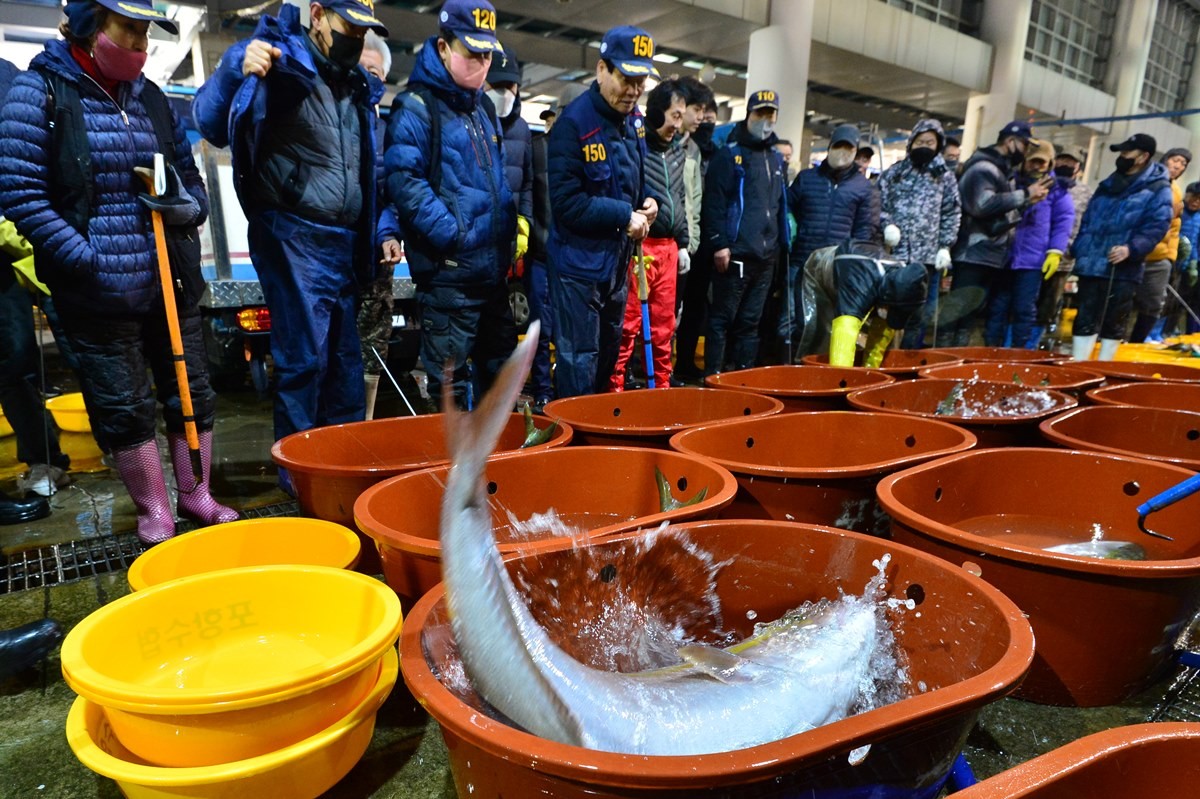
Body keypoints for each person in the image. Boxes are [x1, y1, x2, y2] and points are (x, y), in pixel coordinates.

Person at [0, 0, 237, 544]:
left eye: (143, 31)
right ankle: (155, 508)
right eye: (125, 29)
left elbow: (190, 179)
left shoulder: (151, 98)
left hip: (169, 281)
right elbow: (21, 194)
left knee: (191, 390)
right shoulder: (39, 95)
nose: (139, 43)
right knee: (124, 405)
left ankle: (197, 495)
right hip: (96, 292)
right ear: (87, 27)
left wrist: (185, 207)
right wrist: (86, 260)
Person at [194, 0, 390, 447]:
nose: (356, 39)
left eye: (364, 31)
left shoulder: (354, 86)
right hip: (293, 236)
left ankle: (341, 461)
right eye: (349, 26)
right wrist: (232, 69)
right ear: (317, 14)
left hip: (343, 241)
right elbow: (208, 122)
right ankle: (300, 474)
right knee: (304, 362)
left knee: (344, 364)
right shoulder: (279, 60)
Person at [386, 0, 515, 410]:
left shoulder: (485, 109)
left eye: (487, 54)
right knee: (450, 390)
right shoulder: (416, 107)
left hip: (492, 277)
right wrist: (454, 236)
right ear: (443, 48)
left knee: (500, 385)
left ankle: (501, 471)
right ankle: (454, 473)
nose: (481, 62)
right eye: (471, 52)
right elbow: (405, 183)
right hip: (449, 280)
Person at [545, 24, 659, 397]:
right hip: (578, 269)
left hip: (616, 266)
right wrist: (624, 216)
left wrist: (647, 203)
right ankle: (572, 445)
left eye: (641, 80)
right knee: (579, 359)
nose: (634, 90)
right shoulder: (573, 125)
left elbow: (633, 182)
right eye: (626, 79)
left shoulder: (635, 123)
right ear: (601, 70)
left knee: (608, 355)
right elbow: (566, 204)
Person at [0, 58, 72, 505]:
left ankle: (125, 452)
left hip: (41, 236)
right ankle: (45, 460)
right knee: (11, 364)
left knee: (83, 348)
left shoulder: (12, 79)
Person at [937, 120, 1050, 347]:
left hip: (989, 255)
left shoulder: (1002, 170)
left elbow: (1002, 213)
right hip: (972, 253)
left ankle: (956, 361)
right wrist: (1023, 194)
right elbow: (981, 204)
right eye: (1025, 146)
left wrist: (1027, 201)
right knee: (957, 311)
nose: (1027, 152)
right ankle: (941, 360)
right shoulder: (983, 168)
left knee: (969, 314)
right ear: (1010, 141)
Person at [700, 90, 789, 375]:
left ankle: (741, 377)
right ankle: (713, 377)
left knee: (751, 322)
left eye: (770, 114)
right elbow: (714, 202)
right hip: (735, 254)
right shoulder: (730, 155)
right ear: (748, 115)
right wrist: (719, 244)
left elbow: (777, 206)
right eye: (759, 113)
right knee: (721, 320)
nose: (765, 120)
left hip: (765, 257)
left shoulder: (776, 160)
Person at [610, 79, 688, 390]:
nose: (677, 124)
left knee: (663, 327)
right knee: (628, 325)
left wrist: (682, 242)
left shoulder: (679, 154)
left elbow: (680, 197)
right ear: (656, 114)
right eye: (674, 115)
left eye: (682, 116)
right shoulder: (636, 146)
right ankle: (614, 389)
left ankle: (661, 390)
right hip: (642, 247)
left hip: (669, 249)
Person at [1068, 133, 1173, 361]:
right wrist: (1080, 247)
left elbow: (1157, 225)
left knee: (1114, 319)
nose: (1122, 157)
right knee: (1084, 316)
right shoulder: (1108, 184)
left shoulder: (1158, 189)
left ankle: (1104, 370)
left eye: (1127, 153)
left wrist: (1132, 249)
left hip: (1123, 267)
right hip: (1091, 262)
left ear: (1143, 156)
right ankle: (1078, 367)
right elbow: (1088, 219)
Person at [781, 123, 879, 360]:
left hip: (836, 268)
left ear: (855, 151)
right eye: (838, 145)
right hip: (801, 261)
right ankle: (786, 366)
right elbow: (786, 211)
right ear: (830, 147)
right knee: (791, 319)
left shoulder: (864, 188)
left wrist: (854, 267)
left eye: (848, 147)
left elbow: (865, 232)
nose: (842, 151)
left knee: (828, 323)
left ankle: (818, 370)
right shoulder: (806, 179)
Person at [876, 118, 961, 349]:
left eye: (930, 142)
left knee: (922, 312)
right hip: (896, 257)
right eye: (920, 141)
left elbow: (951, 213)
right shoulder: (894, 174)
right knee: (889, 310)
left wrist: (945, 246)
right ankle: (883, 357)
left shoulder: (945, 178)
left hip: (928, 260)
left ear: (938, 145)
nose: (924, 145)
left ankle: (909, 358)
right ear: (911, 143)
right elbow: (878, 205)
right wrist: (887, 226)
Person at [984, 139, 1074, 348]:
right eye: (1033, 161)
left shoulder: (1058, 191)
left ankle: (1019, 354)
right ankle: (990, 352)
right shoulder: (1009, 183)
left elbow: (1063, 221)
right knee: (997, 307)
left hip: (1032, 261)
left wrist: (1055, 251)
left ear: (1050, 164)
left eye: (1042, 163)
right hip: (1004, 258)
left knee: (1024, 309)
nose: (1037, 166)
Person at [357, 30, 403, 419]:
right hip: (333, 259)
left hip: (374, 263)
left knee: (373, 347)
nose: (365, 78)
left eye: (373, 71)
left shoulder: (386, 132)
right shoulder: (330, 119)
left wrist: (388, 233)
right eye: (360, 69)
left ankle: (365, 423)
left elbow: (392, 193)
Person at [672, 85, 718, 382]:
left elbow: (696, 200)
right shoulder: (665, 143)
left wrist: (695, 241)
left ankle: (682, 365)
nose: (702, 118)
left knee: (692, 311)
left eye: (705, 112)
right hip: (667, 242)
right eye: (697, 110)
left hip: (693, 244)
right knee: (664, 313)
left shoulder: (696, 150)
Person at [1031, 144, 1092, 347]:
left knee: (1048, 304)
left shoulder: (1085, 193)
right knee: (1026, 301)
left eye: (1071, 161)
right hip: (1034, 255)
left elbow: (1086, 225)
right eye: (1062, 160)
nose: (1065, 164)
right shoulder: (1043, 183)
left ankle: (1035, 342)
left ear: (1078, 167)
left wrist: (1075, 249)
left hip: (1063, 259)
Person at [1128, 147, 1189, 343]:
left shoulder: (1177, 191)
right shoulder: (1146, 180)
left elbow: (1174, 229)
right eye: (1175, 160)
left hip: (1160, 257)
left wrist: (1171, 257)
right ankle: (1112, 341)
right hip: (1135, 252)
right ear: (1165, 159)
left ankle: (1136, 343)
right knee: (1123, 301)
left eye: (1183, 164)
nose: (1178, 166)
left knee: (1153, 304)